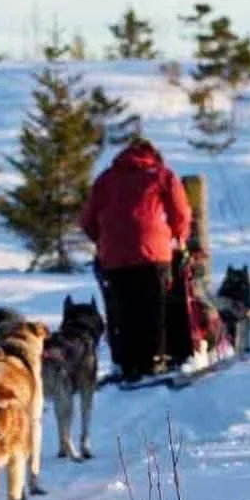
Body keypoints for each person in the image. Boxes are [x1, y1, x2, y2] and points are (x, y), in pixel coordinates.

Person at [79, 138, 193, 383]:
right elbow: (180, 212)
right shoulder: (162, 175)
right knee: (154, 307)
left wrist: (101, 240)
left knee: (120, 309)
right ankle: (154, 360)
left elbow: (87, 218)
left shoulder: (106, 178)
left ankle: (124, 362)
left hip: (114, 255)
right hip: (154, 253)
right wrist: (180, 237)